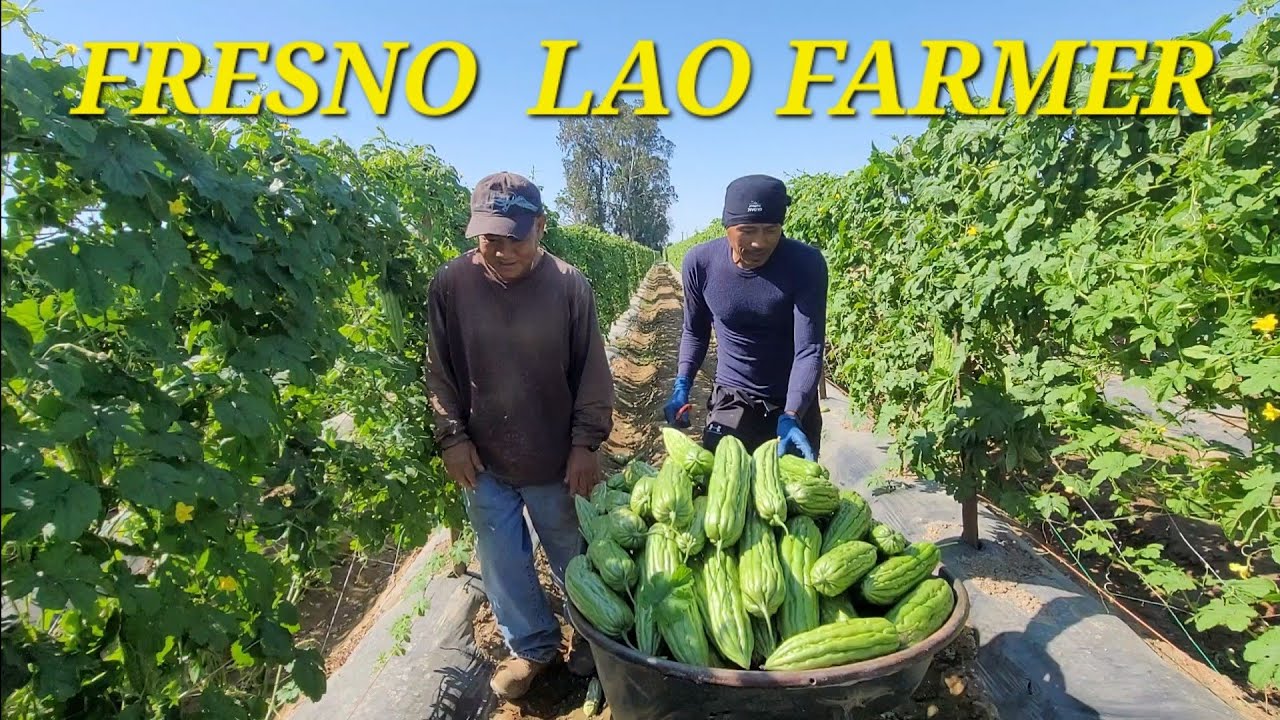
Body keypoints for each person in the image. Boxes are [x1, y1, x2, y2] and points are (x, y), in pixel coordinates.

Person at [424, 171, 614, 700]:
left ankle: (592, 642)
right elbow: (439, 370)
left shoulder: (568, 285)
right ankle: (533, 648)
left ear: (541, 228)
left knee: (573, 557)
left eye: (514, 237)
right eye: (490, 238)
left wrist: (585, 444)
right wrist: (451, 437)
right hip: (483, 461)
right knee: (502, 562)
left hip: (555, 460)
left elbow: (592, 373)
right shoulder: (451, 285)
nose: (501, 250)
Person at [664, 174, 828, 459]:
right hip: (732, 397)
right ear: (727, 227)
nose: (759, 243)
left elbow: (809, 349)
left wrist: (792, 413)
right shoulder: (701, 264)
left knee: (794, 499)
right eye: (747, 230)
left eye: (771, 230)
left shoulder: (805, 264)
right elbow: (695, 331)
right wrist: (682, 384)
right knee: (726, 492)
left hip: (792, 401)